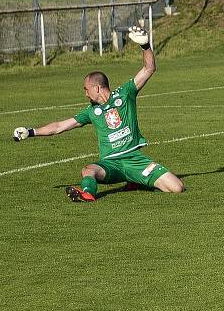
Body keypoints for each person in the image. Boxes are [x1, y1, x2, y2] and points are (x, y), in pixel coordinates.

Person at [13, 26, 184, 202]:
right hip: (110, 165)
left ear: (97, 88)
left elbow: (149, 68)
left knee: (176, 187)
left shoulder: (125, 94)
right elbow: (59, 127)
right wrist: (31, 131)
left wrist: (145, 46)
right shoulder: (91, 112)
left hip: (134, 160)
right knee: (88, 170)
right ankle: (88, 193)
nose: (85, 94)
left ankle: (136, 179)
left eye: (86, 90)